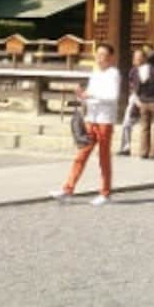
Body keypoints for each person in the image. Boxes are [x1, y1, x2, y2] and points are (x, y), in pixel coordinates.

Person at [52, 42, 120, 205]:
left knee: (103, 158)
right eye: (98, 54)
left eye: (103, 55)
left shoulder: (113, 73)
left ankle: (105, 193)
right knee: (81, 155)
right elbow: (90, 93)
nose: (100, 58)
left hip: (104, 119)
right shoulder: (95, 72)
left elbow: (112, 97)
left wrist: (91, 96)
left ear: (111, 58)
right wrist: (82, 96)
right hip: (91, 118)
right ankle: (68, 188)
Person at [118, 48, 145, 155]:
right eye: (135, 57)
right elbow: (132, 86)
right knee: (126, 123)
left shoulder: (146, 70)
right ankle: (125, 147)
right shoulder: (133, 70)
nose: (135, 59)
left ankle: (145, 148)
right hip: (134, 98)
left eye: (138, 57)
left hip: (145, 99)